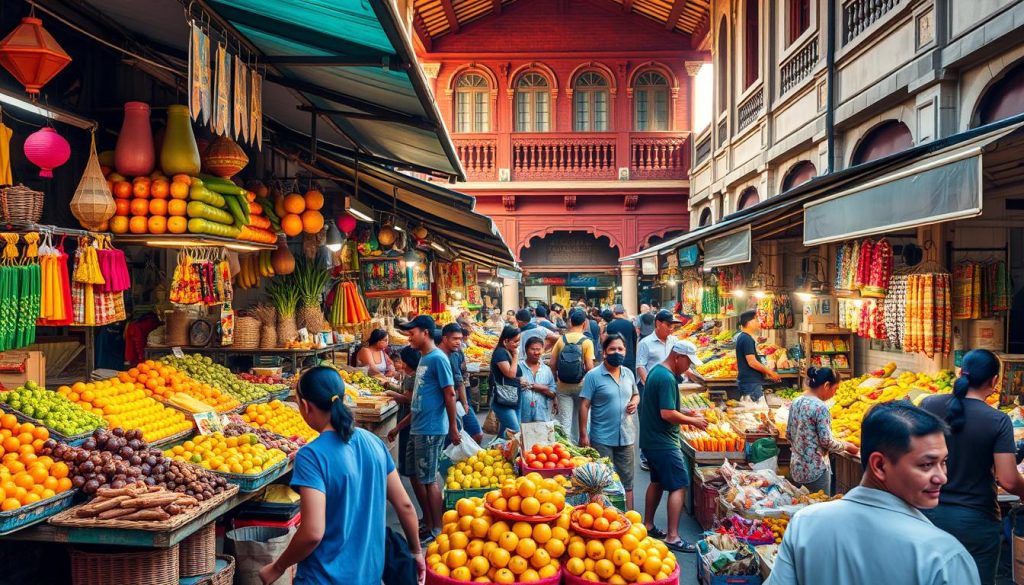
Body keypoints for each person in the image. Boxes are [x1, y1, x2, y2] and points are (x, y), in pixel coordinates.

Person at [766, 401, 980, 585]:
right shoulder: (943, 555)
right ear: (879, 465)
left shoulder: (805, 524)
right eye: (927, 465)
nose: (942, 477)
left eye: (943, 462)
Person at [259, 367, 424, 585]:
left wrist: (277, 567)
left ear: (305, 406)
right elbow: (405, 506)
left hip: (323, 577)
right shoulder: (373, 441)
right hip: (370, 575)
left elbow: (312, 533)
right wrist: (416, 552)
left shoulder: (311, 455)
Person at [920, 349, 1024, 585]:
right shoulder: (997, 420)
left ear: (960, 373)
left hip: (926, 514)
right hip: (975, 522)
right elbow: (1008, 480)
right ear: (994, 381)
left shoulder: (929, 404)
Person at [391, 315, 460, 541]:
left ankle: (437, 529)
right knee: (416, 476)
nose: (409, 337)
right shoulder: (424, 358)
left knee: (429, 480)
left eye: (413, 333)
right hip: (417, 427)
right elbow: (420, 401)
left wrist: (453, 427)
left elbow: (449, 394)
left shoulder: (438, 359)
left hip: (431, 430)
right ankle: (429, 521)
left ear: (426, 333)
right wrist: (400, 427)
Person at [640, 340, 708, 553]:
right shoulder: (667, 378)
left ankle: (648, 525)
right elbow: (666, 413)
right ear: (678, 357)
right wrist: (694, 421)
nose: (688, 368)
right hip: (663, 442)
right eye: (688, 362)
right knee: (679, 484)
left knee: (657, 481)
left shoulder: (657, 372)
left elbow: (665, 406)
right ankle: (673, 536)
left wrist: (686, 413)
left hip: (651, 440)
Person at [580, 334, 640, 509]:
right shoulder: (593, 376)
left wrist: (634, 403)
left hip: (626, 436)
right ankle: (604, 519)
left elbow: (636, 394)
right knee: (603, 483)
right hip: (602, 438)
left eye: (620, 349)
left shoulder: (628, 373)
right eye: (612, 349)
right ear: (604, 352)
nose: (617, 352)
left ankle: (629, 518)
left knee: (627, 482)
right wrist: (583, 434)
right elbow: (584, 405)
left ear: (625, 351)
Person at [786, 367, 858, 495]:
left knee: (801, 503)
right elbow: (826, 441)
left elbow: (789, 434)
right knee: (818, 504)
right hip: (815, 470)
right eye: (835, 389)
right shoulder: (820, 407)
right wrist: (846, 445)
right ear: (826, 385)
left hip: (797, 467)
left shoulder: (796, 401)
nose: (834, 394)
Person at [385, 347, 427, 536]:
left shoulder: (412, 377)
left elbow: (410, 400)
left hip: (411, 423)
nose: (399, 363)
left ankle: (426, 517)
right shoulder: (411, 375)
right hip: (411, 422)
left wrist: (394, 395)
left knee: (412, 468)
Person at [548, 308, 596, 442]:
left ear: (570, 322)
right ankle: (582, 449)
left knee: (565, 422)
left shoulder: (561, 340)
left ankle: (565, 452)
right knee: (582, 420)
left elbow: (552, 364)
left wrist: (556, 379)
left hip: (562, 387)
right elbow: (590, 368)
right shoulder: (586, 342)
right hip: (582, 387)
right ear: (585, 323)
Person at [439, 324, 483, 444]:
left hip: (460, 398)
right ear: (444, 339)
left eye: (460, 339)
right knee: (450, 439)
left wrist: (464, 402)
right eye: (455, 339)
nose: (458, 342)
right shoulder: (438, 357)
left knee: (476, 434)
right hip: (446, 402)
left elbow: (460, 378)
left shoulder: (457, 353)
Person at [734, 310, 780, 401]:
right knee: (756, 410)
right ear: (749, 322)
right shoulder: (746, 339)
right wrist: (770, 372)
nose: (758, 323)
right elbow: (752, 362)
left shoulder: (742, 336)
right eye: (756, 320)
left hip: (747, 381)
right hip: (751, 382)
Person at [490, 326, 523, 437]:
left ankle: (496, 452)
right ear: (505, 341)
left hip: (514, 398)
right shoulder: (500, 353)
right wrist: (516, 356)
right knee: (515, 432)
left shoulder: (508, 352)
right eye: (515, 341)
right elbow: (510, 374)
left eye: (519, 340)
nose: (517, 344)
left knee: (505, 435)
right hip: (504, 400)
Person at [636, 310, 684, 387]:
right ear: (658, 324)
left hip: (671, 383)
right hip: (654, 385)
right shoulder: (645, 343)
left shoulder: (674, 341)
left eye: (673, 326)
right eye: (668, 325)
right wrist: (649, 385)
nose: (671, 329)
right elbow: (640, 366)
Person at [519, 337, 556, 423]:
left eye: (538, 349)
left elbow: (553, 393)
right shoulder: (518, 367)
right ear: (526, 350)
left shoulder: (546, 370)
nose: (536, 352)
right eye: (532, 349)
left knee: (540, 435)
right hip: (522, 413)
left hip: (541, 413)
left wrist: (542, 388)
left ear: (543, 350)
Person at [605, 305, 638, 374]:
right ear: (623, 312)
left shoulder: (610, 325)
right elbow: (635, 341)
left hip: (615, 357)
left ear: (614, 313)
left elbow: (607, 342)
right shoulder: (630, 324)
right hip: (629, 358)